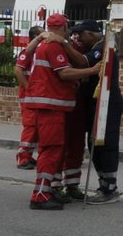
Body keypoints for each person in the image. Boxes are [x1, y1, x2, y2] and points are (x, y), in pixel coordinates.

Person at [22, 14, 101, 209]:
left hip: (52, 105)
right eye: (68, 26)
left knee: (55, 149)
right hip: (50, 106)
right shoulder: (53, 46)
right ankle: (40, 194)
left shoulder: (49, 44)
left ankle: (47, 190)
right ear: (64, 27)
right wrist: (92, 71)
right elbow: (64, 73)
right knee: (51, 150)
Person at [69, 19, 123, 202]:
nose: (79, 38)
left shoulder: (103, 47)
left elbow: (85, 62)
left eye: (81, 34)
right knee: (94, 143)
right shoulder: (95, 46)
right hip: (94, 101)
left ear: (91, 34)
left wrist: (62, 44)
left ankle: (109, 187)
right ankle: (103, 183)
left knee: (105, 143)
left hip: (107, 101)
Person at [12, 24, 44, 169]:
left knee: (36, 127)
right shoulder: (27, 53)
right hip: (28, 98)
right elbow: (18, 71)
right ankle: (22, 157)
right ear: (34, 38)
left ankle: (28, 155)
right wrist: (28, 89)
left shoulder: (39, 52)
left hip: (34, 97)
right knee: (30, 127)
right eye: (40, 35)